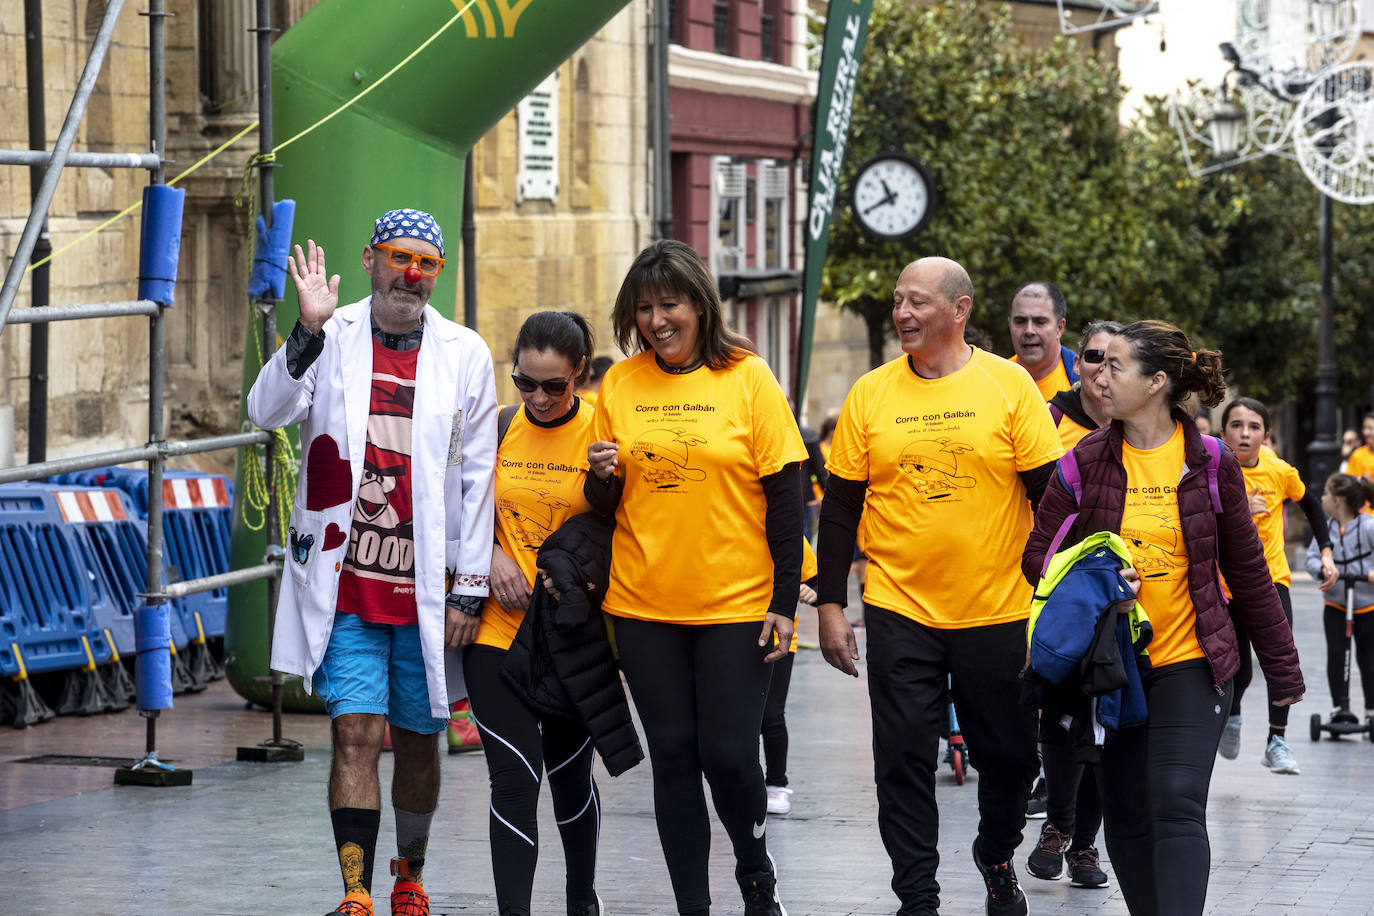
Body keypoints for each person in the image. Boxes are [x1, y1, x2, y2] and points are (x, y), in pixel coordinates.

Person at [247, 209, 497, 916]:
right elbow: (265, 410)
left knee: (420, 743)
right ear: (369, 258)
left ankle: (408, 878)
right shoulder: (333, 337)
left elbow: (479, 482)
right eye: (399, 257)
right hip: (348, 585)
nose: (411, 274)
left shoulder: (465, 352)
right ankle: (355, 893)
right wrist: (306, 331)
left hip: (426, 590)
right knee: (354, 732)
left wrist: (469, 591)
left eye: (427, 264)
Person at [1023, 320, 1304, 916]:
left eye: (1115, 365)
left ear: (1156, 382)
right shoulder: (1084, 462)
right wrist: (1096, 577)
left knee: (1174, 799)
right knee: (1125, 811)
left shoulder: (1209, 460)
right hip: (1114, 668)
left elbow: (1250, 573)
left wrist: (1283, 673)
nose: (1098, 374)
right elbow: (1037, 559)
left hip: (1193, 661)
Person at [817, 256, 1063, 916]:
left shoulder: (1010, 388)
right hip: (900, 608)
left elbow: (1053, 500)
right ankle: (917, 897)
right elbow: (840, 508)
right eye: (898, 300)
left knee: (1011, 758)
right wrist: (832, 603)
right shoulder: (871, 394)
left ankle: (995, 853)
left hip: (998, 610)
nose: (903, 312)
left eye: (918, 302)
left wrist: (1068, 591)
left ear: (960, 311)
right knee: (900, 759)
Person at [585, 239, 805, 916]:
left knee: (732, 754)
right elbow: (606, 505)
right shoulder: (620, 384)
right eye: (646, 308)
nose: (658, 320)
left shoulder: (747, 377)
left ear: (700, 306)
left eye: (670, 303)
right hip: (645, 605)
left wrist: (784, 601)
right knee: (675, 756)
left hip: (737, 604)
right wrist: (601, 478)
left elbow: (788, 495)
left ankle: (754, 863)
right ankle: (693, 907)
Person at [467, 310, 638, 916]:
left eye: (553, 385)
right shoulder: (497, 428)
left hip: (571, 635)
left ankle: (580, 898)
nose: (538, 398)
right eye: (525, 383)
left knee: (570, 778)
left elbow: (631, 528)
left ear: (581, 376)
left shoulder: (604, 431)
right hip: (496, 628)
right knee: (514, 781)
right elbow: (460, 510)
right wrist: (488, 555)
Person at [1025, 319, 1122, 889]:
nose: (1101, 370)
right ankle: (1060, 827)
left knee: (1104, 728)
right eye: (1090, 357)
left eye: (1114, 360)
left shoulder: (1152, 435)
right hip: (1063, 602)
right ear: (1075, 360)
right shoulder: (1052, 419)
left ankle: (1082, 843)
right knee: (1063, 721)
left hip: (1128, 609)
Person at [1216, 397, 1337, 774]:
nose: (1245, 434)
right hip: (1226, 581)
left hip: (1271, 578)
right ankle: (1233, 717)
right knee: (1238, 666)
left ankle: (1277, 740)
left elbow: (1313, 506)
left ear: (1266, 436)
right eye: (1237, 425)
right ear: (1224, 432)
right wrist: (1235, 509)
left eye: (1254, 427)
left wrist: (1327, 551)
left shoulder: (1280, 471)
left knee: (1278, 658)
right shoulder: (1212, 469)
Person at [1307, 474, 1374, 722]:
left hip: (1367, 606)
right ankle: (1339, 707)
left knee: (1368, 658)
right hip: (1336, 603)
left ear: (1336, 500)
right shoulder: (1327, 529)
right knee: (1336, 655)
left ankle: (1371, 710)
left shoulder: (1367, 526)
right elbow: (1312, 557)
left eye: (1325, 493)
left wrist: (1369, 574)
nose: (1321, 498)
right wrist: (1323, 568)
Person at [763, 541, 820, 817]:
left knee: (771, 714)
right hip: (727, 631)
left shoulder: (789, 530)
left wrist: (813, 592)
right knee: (737, 718)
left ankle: (776, 783)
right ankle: (740, 781)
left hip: (780, 639)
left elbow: (816, 581)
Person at [1008, 281, 1077, 402]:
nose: (1029, 331)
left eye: (1040, 322)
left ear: (1060, 327)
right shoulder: (994, 380)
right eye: (1020, 321)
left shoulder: (1084, 385)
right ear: (1010, 324)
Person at [1347, 413, 1374, 480]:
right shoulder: (1358, 455)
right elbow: (1348, 482)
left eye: (1370, 428)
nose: (1365, 432)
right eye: (1364, 428)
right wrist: (1362, 481)